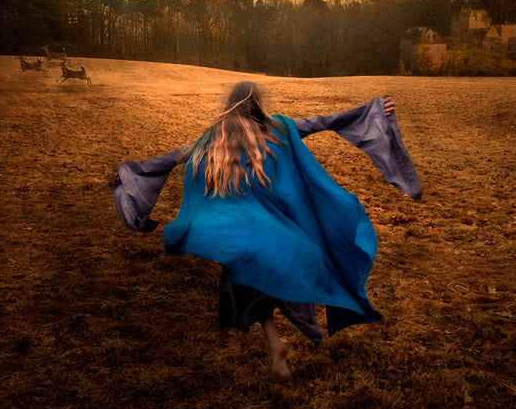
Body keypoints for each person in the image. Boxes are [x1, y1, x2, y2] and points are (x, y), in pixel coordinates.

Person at [114, 81, 420, 382]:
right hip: (272, 229)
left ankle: (274, 343)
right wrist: (375, 110)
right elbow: (324, 122)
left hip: (235, 231)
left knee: (244, 281)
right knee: (269, 276)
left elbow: (170, 159)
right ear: (258, 103)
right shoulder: (279, 128)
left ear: (230, 104)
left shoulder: (214, 138)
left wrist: (128, 174)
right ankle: (279, 343)